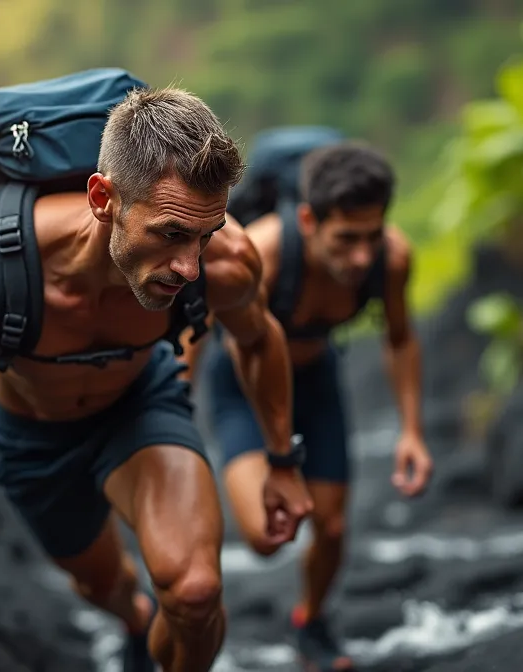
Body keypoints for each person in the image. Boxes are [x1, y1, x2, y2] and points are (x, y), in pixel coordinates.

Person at [0, 86, 316, 672]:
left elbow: (259, 338)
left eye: (204, 236)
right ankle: (134, 622)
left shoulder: (226, 262)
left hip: (139, 403)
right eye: (170, 234)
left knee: (195, 593)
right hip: (34, 437)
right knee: (104, 587)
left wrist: (282, 461)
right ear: (104, 198)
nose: (190, 267)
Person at [185, 140, 434, 671]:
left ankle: (311, 622)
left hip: (316, 378)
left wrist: (411, 432)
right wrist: (177, 403)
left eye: (372, 236)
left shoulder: (391, 260)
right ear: (308, 220)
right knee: (266, 535)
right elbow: (201, 327)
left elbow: (399, 339)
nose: (362, 256)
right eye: (346, 239)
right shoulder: (260, 253)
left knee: (333, 527)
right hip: (243, 386)